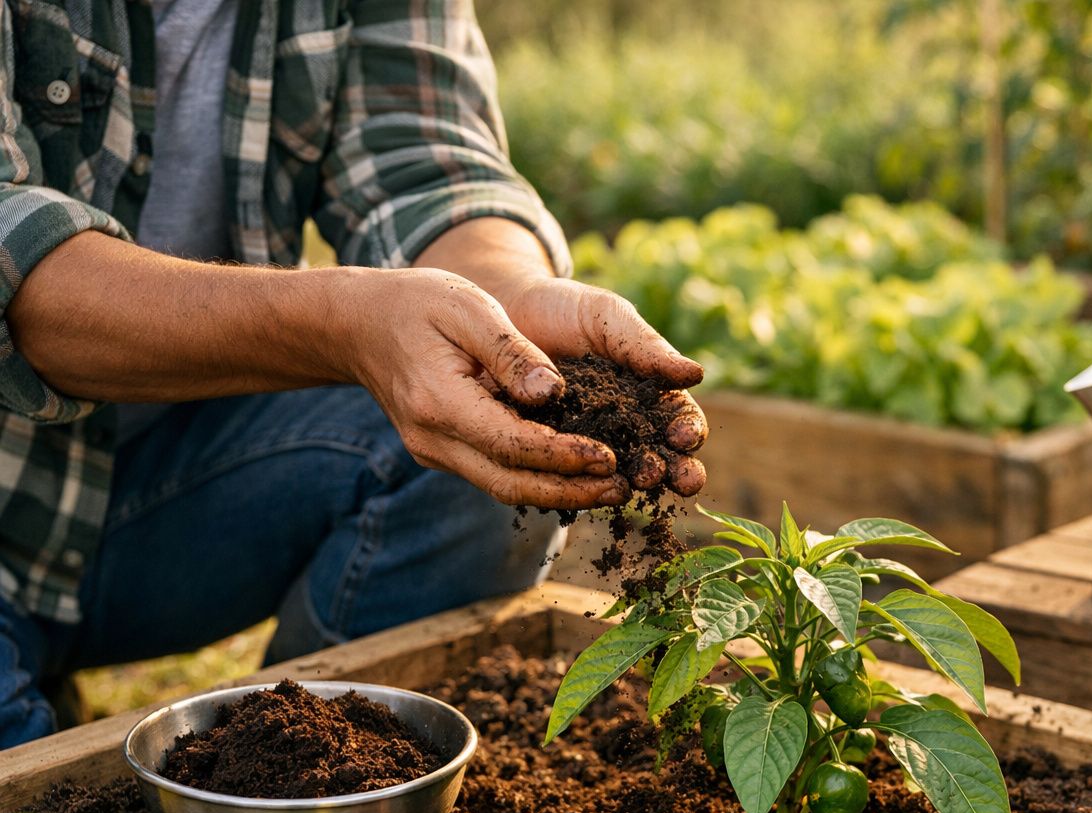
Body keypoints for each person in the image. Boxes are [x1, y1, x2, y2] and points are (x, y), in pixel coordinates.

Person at [0, 0, 708, 748]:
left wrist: (510, 302)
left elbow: (420, 160)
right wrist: (341, 324)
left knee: (478, 427)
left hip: (157, 495)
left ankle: (283, 763)